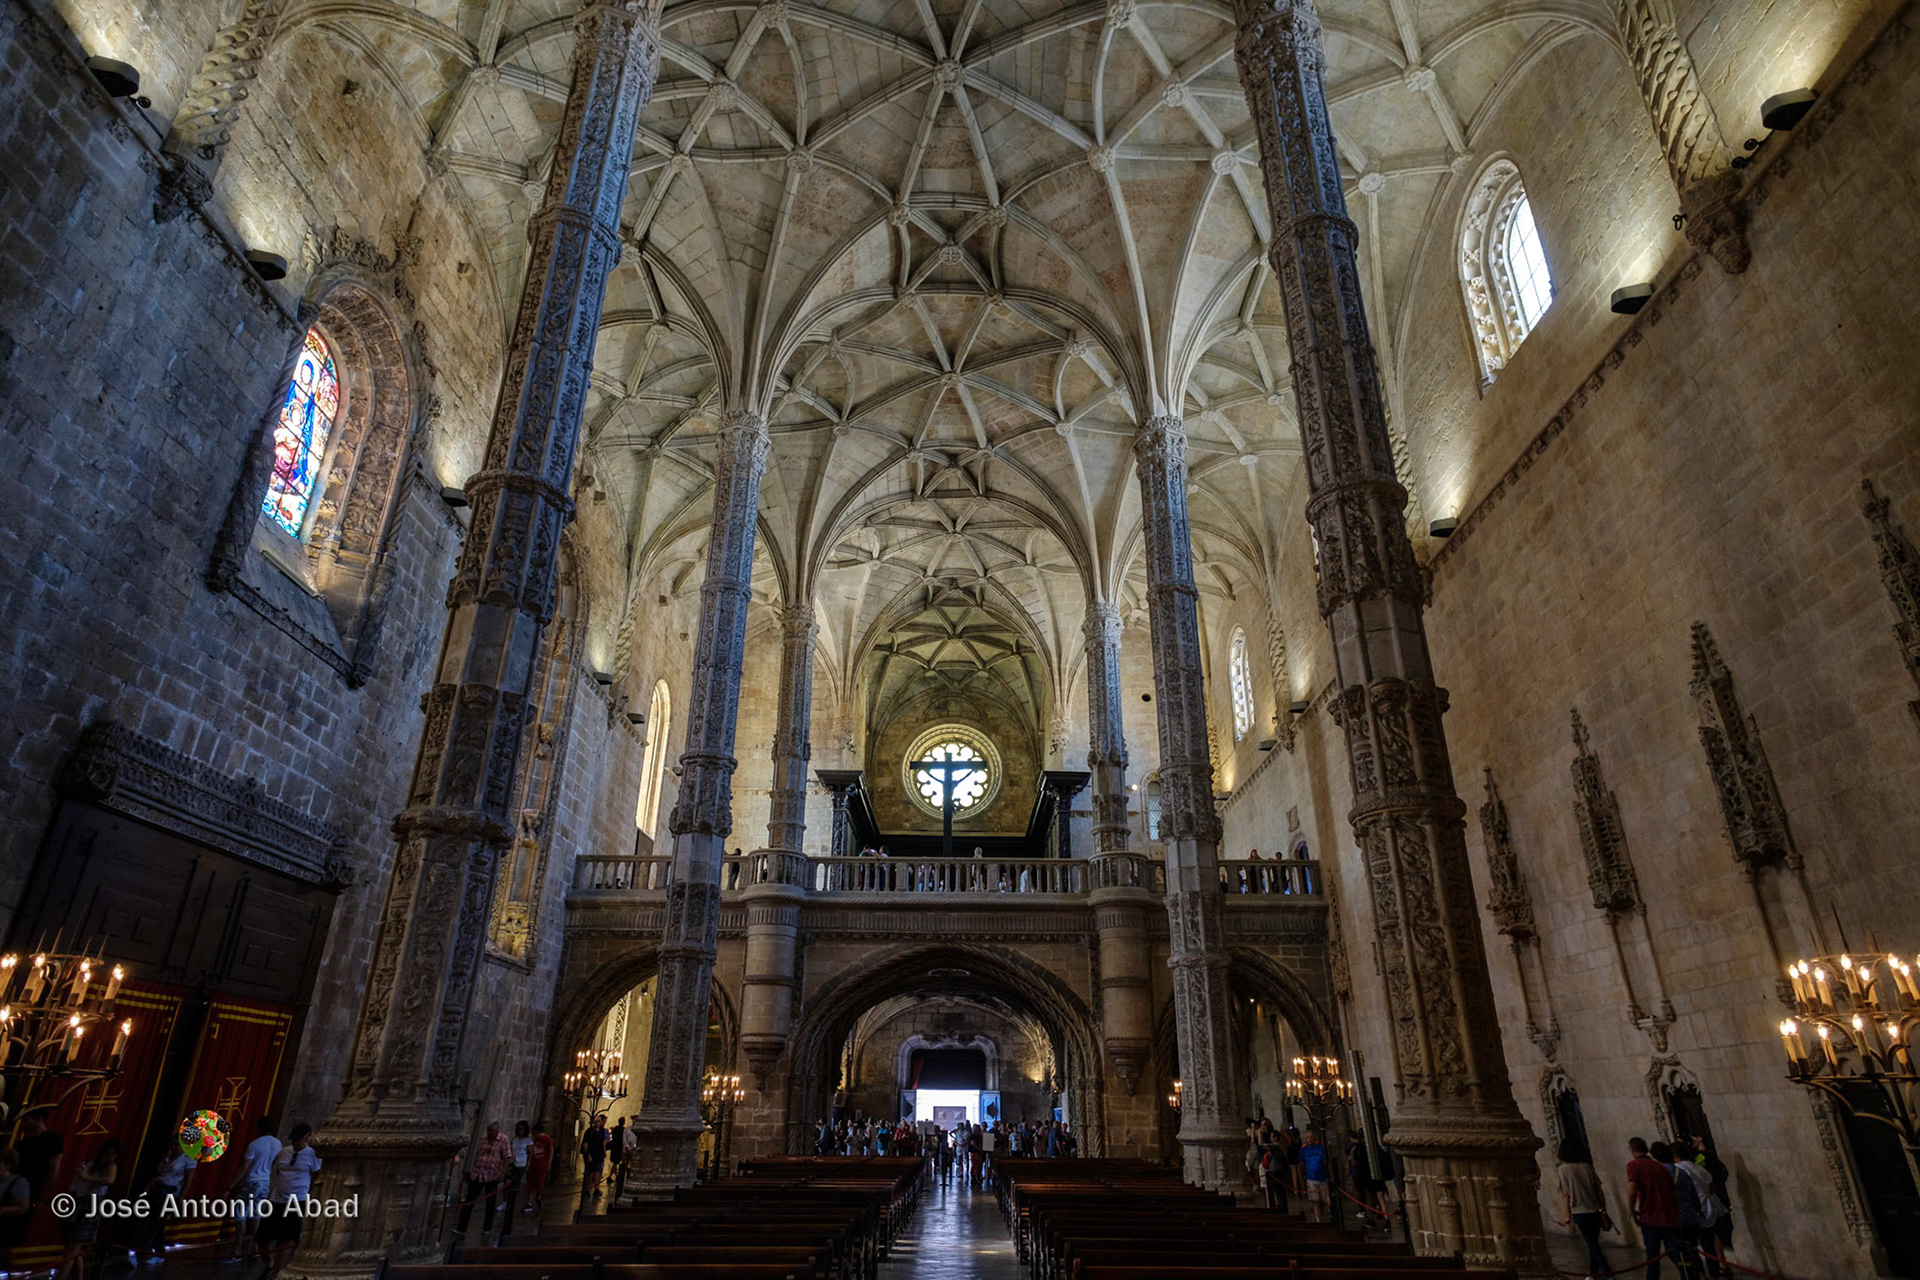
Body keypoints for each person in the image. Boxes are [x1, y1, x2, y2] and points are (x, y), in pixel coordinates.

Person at [258, 1124, 320, 1279]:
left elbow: (316, 1176)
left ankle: (278, 1273)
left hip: (296, 1201)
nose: (295, 1143)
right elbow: (277, 1170)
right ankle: (270, 1265)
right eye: (294, 1140)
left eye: (299, 1140)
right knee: (262, 1239)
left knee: (285, 1241)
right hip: (276, 1199)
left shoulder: (312, 1155)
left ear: (307, 1137)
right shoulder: (284, 1152)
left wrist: (307, 1193)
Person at [55, 1139, 117, 1280]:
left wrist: (87, 1177)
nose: (111, 1156)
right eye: (109, 1153)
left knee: (73, 1248)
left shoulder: (110, 1167)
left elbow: (109, 1180)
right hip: (79, 1202)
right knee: (72, 1246)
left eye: (114, 1154)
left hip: (90, 1206)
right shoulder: (90, 1165)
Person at [1626, 1136, 1683, 1280]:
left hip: (1650, 1217)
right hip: (1668, 1216)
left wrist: (1632, 1211)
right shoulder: (1660, 1167)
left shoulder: (1634, 1166)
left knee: (1652, 1257)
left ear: (1632, 1150)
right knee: (1676, 1253)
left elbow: (1632, 1190)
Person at [1555, 1139, 1610, 1280]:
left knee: (1592, 1245)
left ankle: (1608, 1273)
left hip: (1580, 1211)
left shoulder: (1563, 1170)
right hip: (1595, 1210)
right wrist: (1603, 1209)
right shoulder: (1587, 1167)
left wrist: (1567, 1215)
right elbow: (1599, 1190)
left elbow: (1566, 1194)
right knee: (1593, 1243)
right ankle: (1593, 1273)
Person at [229, 1117, 281, 1261]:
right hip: (265, 1181)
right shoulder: (277, 1143)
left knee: (241, 1216)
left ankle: (237, 1249)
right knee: (256, 1215)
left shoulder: (254, 1145)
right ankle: (256, 1248)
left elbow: (244, 1168)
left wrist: (230, 1186)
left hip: (251, 1181)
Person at [139, 1143, 199, 1265]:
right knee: (156, 1223)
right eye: (173, 1144)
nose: (174, 1147)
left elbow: (187, 1181)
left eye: (178, 1145)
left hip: (171, 1193)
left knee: (155, 1224)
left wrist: (180, 1198)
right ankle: (160, 1252)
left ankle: (142, 1254)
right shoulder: (168, 1156)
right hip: (157, 1189)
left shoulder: (188, 1159)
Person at [1664, 1141, 1711, 1279]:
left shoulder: (1677, 1170)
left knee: (1686, 1250)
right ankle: (1709, 1274)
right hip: (1701, 1210)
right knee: (1706, 1245)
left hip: (1684, 1215)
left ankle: (1698, 1274)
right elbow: (1709, 1183)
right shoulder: (1696, 1167)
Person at [456, 1121, 511, 1236]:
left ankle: (487, 1228)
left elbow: (507, 1157)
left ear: (497, 1130)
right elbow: (476, 1153)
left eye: (492, 1131)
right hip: (478, 1173)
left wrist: (503, 1172)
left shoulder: (503, 1140)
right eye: (488, 1130)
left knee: (490, 1202)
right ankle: (461, 1228)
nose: (490, 1133)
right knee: (469, 1200)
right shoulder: (483, 1139)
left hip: (492, 1175)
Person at [16, 1112, 62, 1208]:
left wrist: (42, 1199)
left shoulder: (52, 1138)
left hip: (34, 1192)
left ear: (38, 1119)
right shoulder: (23, 1144)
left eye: (26, 1120)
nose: (22, 1124)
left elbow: (53, 1170)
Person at [0, 1149, 31, 1269]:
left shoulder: (19, 1182)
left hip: (6, 1229)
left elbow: (23, 1207)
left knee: (5, 1257)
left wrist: (3, 1210)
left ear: (8, 1165)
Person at [1298, 1128, 1330, 1223]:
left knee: (1323, 1200)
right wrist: (1302, 1179)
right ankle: (1318, 1219)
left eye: (1311, 1137)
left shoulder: (1320, 1148)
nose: (1309, 1139)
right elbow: (1301, 1165)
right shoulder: (1303, 1150)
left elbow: (1326, 1162)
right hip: (1310, 1177)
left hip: (1322, 1177)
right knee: (1315, 1200)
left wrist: (1330, 1174)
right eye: (1308, 1137)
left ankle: (1321, 1215)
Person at [524, 1122, 554, 1213]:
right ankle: (529, 1201)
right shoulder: (532, 1139)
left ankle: (538, 1195)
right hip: (533, 1163)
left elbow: (551, 1150)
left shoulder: (546, 1139)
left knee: (539, 1182)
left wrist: (549, 1163)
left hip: (542, 1164)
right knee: (530, 1182)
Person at [580, 1114, 609, 1196]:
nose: (597, 1123)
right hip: (591, 1154)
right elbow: (585, 1144)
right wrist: (588, 1154)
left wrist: (604, 1151)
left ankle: (596, 1189)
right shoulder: (590, 1131)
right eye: (596, 1121)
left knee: (597, 1172)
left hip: (599, 1155)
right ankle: (587, 1189)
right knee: (590, 1172)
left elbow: (603, 1142)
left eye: (599, 1121)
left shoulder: (602, 1131)